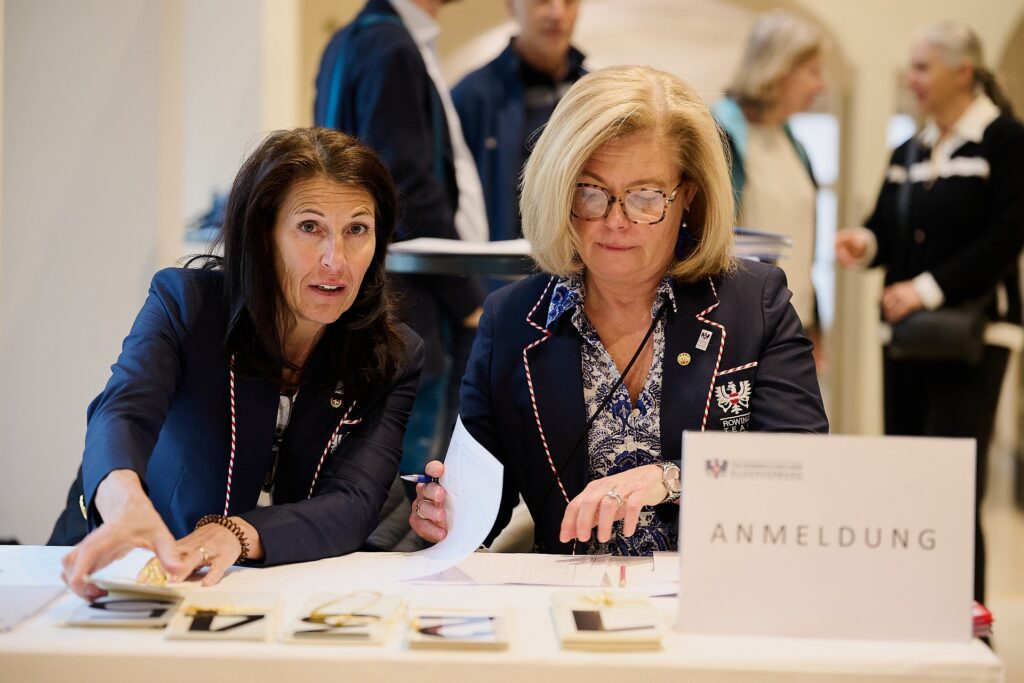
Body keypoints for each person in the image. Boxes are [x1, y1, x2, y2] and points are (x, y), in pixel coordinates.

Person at [411, 66, 828, 555]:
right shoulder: (512, 318)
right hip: (570, 610)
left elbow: (802, 469)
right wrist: (445, 511)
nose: (615, 221)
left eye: (645, 197)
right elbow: (483, 503)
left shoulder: (753, 302)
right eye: (591, 192)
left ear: (688, 198)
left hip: (716, 597)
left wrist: (673, 477)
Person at [51, 128, 424, 598]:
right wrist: (126, 504)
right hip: (122, 568)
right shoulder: (186, 305)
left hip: (268, 586)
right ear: (263, 234)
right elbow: (122, 412)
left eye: (357, 230)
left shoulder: (393, 354)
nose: (337, 260)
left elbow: (353, 501)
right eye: (310, 227)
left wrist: (236, 534)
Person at [836, 23, 1024, 603]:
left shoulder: (1004, 140)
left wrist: (926, 288)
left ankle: (967, 621)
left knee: (953, 487)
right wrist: (865, 245)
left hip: (974, 336)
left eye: (922, 68)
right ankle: (913, 610)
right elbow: (886, 229)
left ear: (962, 71)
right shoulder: (910, 149)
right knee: (908, 482)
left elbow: (1008, 234)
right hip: (906, 337)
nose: (911, 80)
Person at [314, 0, 486, 479]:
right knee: (407, 495)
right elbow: (400, 179)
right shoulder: (389, 46)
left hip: (381, 301)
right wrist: (466, 296)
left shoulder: (352, 40)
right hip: (412, 304)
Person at [713, 10, 825, 338]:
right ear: (779, 70)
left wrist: (815, 320)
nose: (821, 85)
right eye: (813, 71)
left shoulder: (792, 141)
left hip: (792, 321)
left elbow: (800, 238)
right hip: (740, 325)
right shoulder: (718, 133)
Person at [453, 0, 586, 242]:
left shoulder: (593, 92)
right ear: (511, 6)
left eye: (569, 2)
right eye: (542, 1)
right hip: (499, 269)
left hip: (577, 264)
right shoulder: (471, 97)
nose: (557, 13)